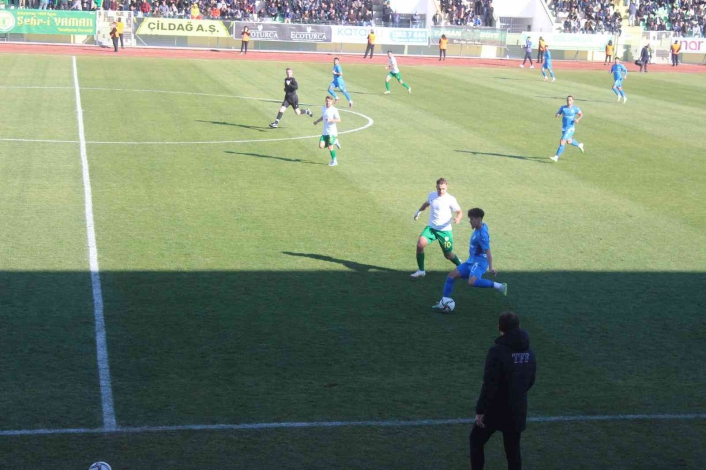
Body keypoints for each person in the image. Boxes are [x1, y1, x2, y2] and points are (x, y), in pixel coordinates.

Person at [470, 311, 536, 470]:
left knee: (476, 440)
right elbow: (531, 380)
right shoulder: (529, 351)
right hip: (517, 408)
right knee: (513, 450)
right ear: (519, 327)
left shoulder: (497, 351)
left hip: (495, 407)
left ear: (499, 328)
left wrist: (480, 410)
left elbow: (489, 383)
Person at [432, 208, 507, 308]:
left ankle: (500, 286)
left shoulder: (482, 235)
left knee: (472, 282)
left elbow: (488, 252)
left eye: (471, 219)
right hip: (471, 261)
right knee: (451, 276)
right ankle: (444, 301)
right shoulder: (483, 226)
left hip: (479, 262)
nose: (470, 221)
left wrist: (491, 267)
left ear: (478, 219)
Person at [410, 178, 463, 279]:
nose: (441, 191)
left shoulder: (450, 199)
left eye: (443, 189)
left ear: (447, 187)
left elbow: (459, 212)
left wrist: (458, 219)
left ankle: (461, 266)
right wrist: (418, 212)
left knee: (448, 255)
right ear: (436, 187)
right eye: (439, 189)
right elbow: (426, 204)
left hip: (445, 231)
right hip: (432, 228)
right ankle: (421, 270)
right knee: (420, 244)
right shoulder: (432, 195)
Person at [550, 95, 584, 162]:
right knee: (569, 141)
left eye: (570, 100)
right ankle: (579, 145)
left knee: (562, 141)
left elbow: (581, 114)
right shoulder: (563, 108)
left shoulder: (575, 108)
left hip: (570, 128)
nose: (569, 101)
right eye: (568, 100)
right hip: (564, 128)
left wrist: (578, 119)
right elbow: (558, 113)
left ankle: (556, 157)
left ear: (573, 101)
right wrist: (557, 115)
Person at [312, 96, 342, 167]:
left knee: (330, 147)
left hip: (332, 132)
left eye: (329, 101)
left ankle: (334, 161)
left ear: (331, 102)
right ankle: (335, 141)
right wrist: (317, 121)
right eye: (327, 101)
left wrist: (331, 120)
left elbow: (339, 120)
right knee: (321, 146)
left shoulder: (334, 110)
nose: (328, 102)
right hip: (325, 132)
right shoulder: (323, 108)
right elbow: (323, 116)